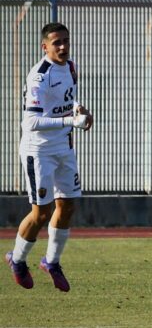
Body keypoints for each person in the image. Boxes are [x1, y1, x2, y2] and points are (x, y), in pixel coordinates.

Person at [5, 22, 93, 292]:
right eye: (57, 43)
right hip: (39, 151)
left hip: (64, 148)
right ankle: (17, 259)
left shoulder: (71, 67)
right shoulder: (39, 76)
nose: (63, 46)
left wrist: (79, 110)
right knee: (41, 212)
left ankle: (51, 262)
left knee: (67, 206)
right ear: (45, 47)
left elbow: (68, 98)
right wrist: (69, 120)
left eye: (66, 40)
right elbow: (30, 122)